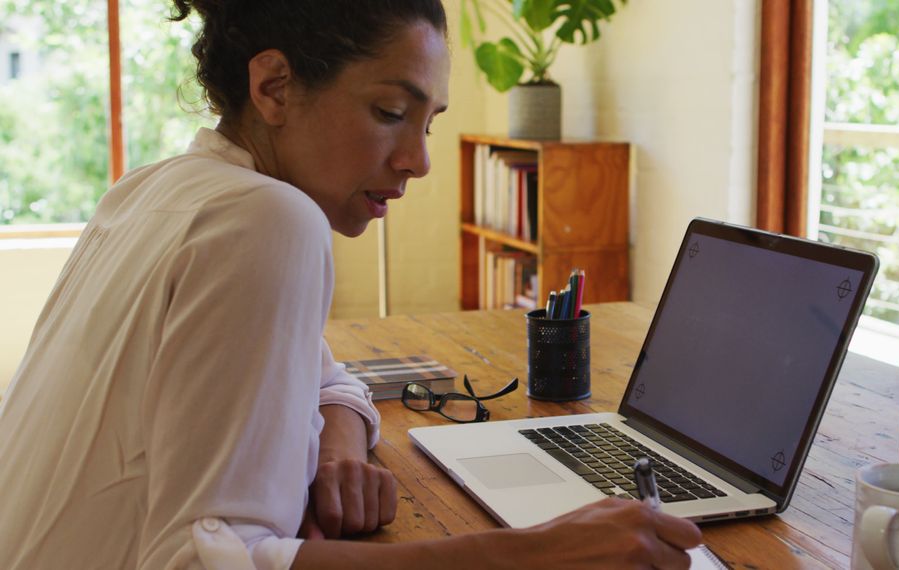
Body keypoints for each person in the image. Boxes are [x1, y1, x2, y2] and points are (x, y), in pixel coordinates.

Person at [0, 1, 702, 568]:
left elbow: (323, 372)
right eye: (391, 113)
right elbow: (198, 560)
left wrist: (335, 448)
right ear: (274, 86)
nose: (419, 160)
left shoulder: (157, 190)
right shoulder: (268, 218)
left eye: (428, 123)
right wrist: (537, 552)